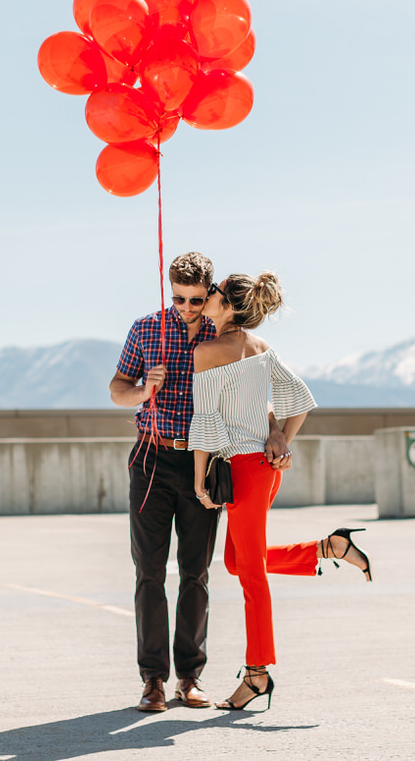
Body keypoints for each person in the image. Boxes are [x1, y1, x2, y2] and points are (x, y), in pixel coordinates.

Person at [109, 252, 290, 713]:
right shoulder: (145, 329)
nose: (188, 308)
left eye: (195, 299)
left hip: (205, 463)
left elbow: (254, 397)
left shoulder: (225, 332)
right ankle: (153, 679)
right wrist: (143, 390)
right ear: (170, 292)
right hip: (151, 458)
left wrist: (274, 430)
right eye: (179, 299)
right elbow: (117, 389)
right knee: (149, 572)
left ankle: (189, 678)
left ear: (210, 293)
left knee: (197, 572)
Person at [189, 271, 372, 711]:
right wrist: (282, 439)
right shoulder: (260, 348)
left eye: (213, 292)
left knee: (251, 574)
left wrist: (198, 479)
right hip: (263, 471)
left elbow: (206, 420)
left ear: (227, 304)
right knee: (237, 562)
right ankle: (329, 548)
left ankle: (257, 674)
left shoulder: (207, 351)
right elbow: (300, 399)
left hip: (245, 470)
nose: (207, 296)